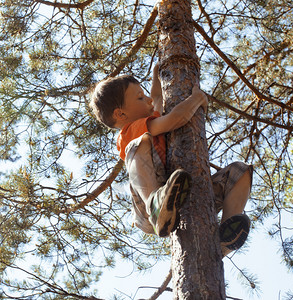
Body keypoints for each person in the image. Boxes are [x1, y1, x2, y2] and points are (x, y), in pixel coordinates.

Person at [89, 64, 252, 256]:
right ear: (120, 114)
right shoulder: (131, 131)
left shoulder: (151, 118)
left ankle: (223, 241)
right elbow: (176, 118)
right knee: (136, 145)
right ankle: (155, 206)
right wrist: (196, 99)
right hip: (148, 207)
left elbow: (157, 96)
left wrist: (160, 68)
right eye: (140, 98)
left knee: (240, 171)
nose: (148, 100)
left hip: (177, 192)